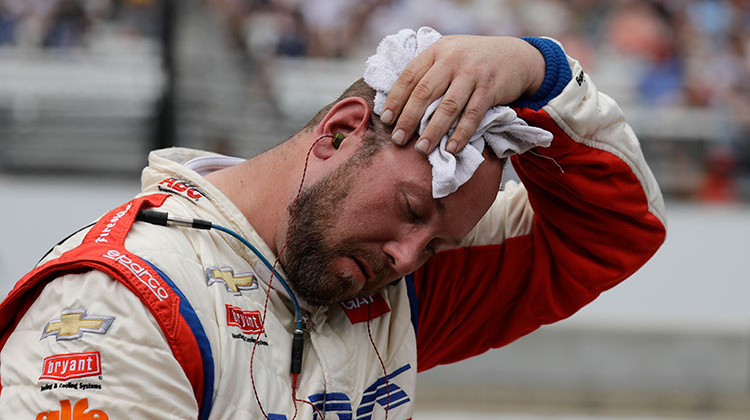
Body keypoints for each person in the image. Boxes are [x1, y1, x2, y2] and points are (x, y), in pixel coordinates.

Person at [0, 32, 666, 419]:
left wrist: (539, 71)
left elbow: (616, 230)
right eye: (412, 210)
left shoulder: (387, 283)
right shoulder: (126, 305)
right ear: (341, 133)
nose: (410, 256)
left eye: (439, 244)